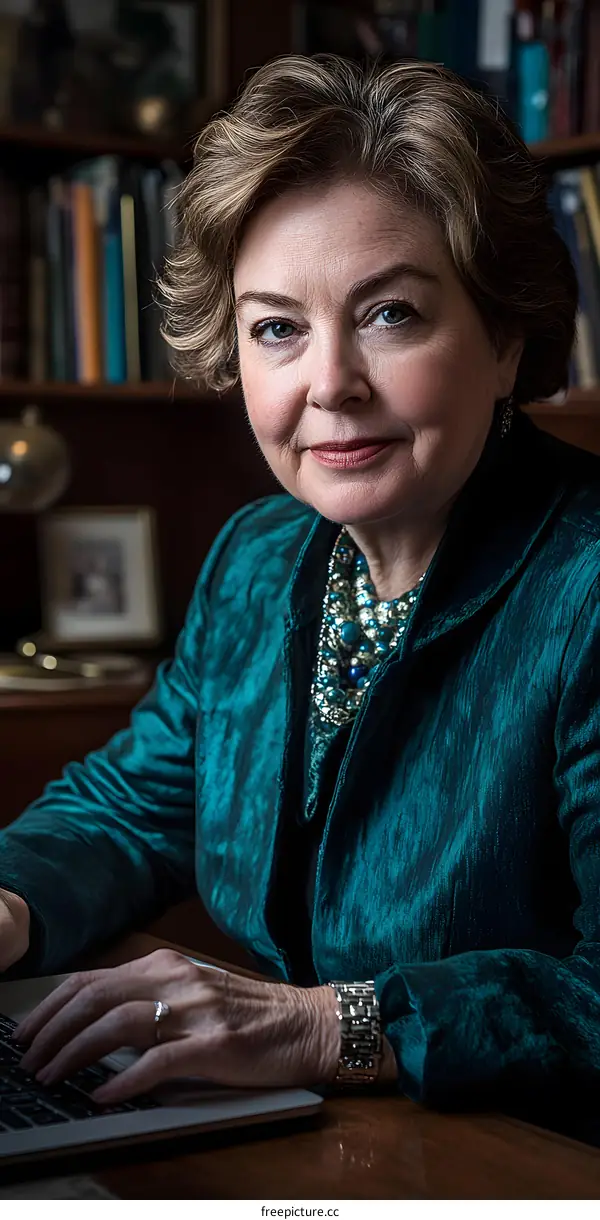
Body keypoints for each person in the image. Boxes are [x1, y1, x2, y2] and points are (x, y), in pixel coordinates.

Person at [0, 52, 596, 1119]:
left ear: (505, 337)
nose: (328, 383)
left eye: (391, 314)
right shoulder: (259, 557)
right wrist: (8, 900)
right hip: (330, 1144)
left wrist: (327, 1024)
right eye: (278, 326)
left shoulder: (588, 585)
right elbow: (139, 806)